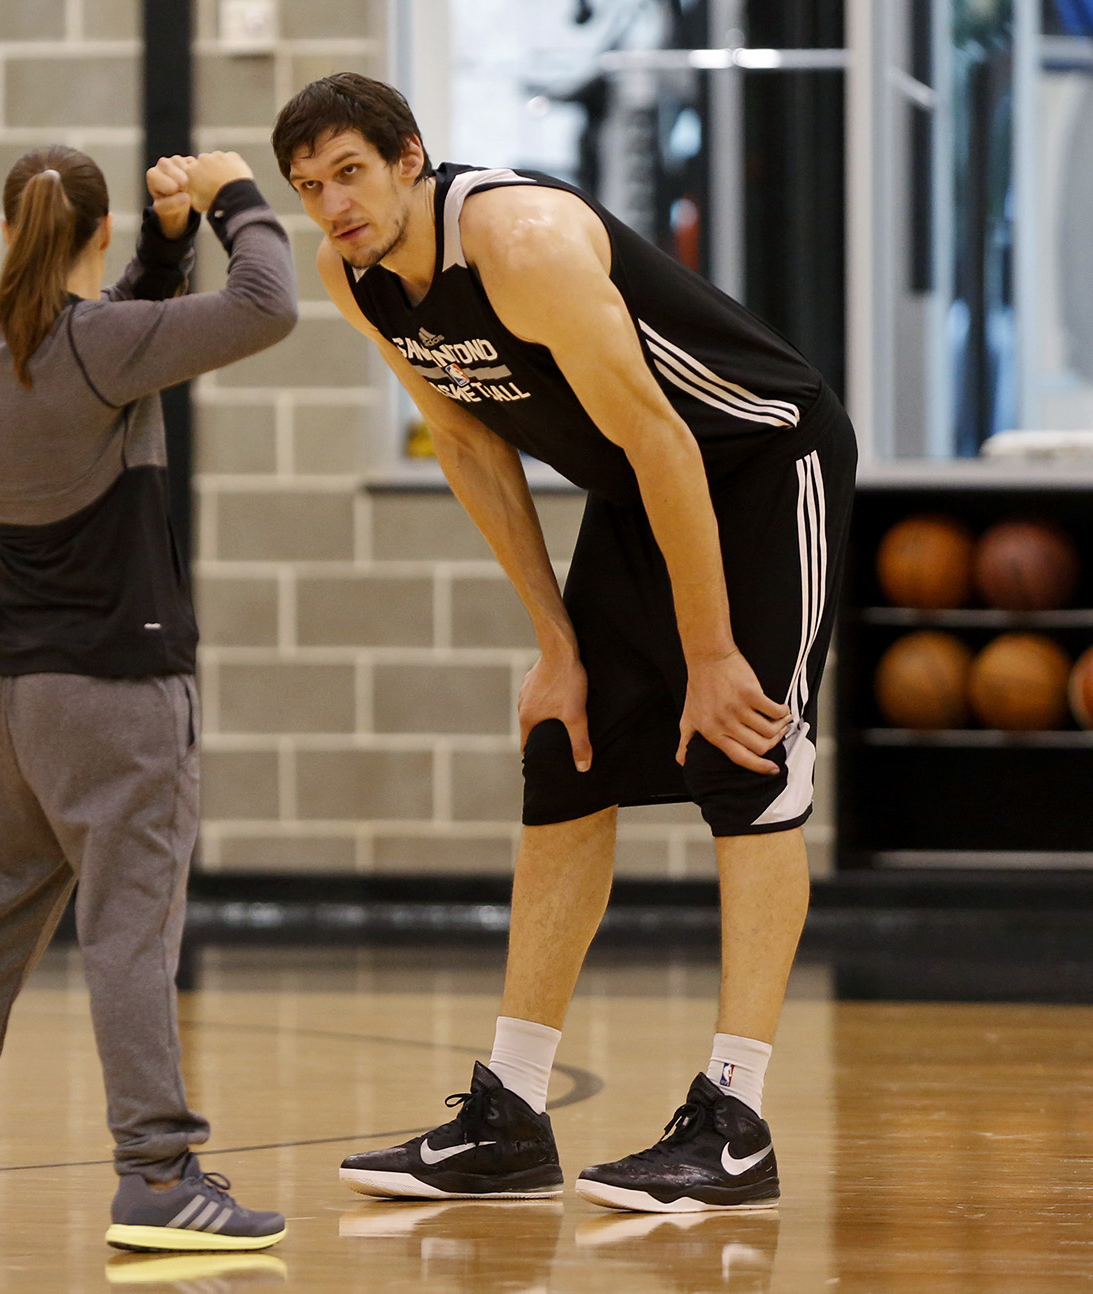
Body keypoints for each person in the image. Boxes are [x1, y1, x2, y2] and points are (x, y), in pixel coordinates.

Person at [273, 75, 855, 1214]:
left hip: (756, 463)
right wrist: (556, 643)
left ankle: (735, 1122)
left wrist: (711, 652)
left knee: (744, 755)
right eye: (307, 189)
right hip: (639, 494)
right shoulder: (357, 282)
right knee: (564, 749)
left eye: (348, 172)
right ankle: (511, 1111)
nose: (332, 206)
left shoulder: (522, 240)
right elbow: (466, 443)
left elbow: (662, 434)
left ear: (408, 158)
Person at [0, 144, 297, 1253]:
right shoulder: (99, 345)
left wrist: (165, 241)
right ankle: (157, 1174)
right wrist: (233, 195)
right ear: (92, 233)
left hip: (6, 699)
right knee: (127, 934)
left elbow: (123, 326)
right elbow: (265, 304)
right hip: (114, 692)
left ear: (11, 233)